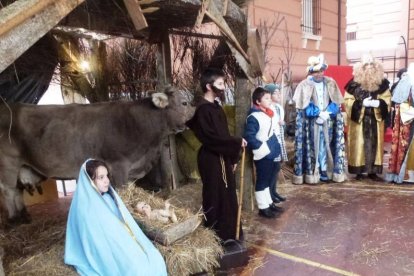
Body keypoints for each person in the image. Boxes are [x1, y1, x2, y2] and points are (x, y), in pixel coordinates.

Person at [64, 159, 167, 276]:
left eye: (107, 176)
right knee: (137, 270)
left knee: (155, 257)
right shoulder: (84, 209)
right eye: (101, 177)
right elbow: (95, 243)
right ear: (89, 181)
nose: (106, 181)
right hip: (107, 251)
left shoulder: (108, 198)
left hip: (123, 243)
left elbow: (122, 226)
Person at [186, 68, 247, 242]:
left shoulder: (216, 107)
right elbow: (212, 138)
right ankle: (217, 234)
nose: (223, 86)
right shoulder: (203, 110)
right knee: (215, 195)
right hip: (212, 159)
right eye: (220, 84)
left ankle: (229, 233)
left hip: (222, 156)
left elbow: (224, 136)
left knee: (227, 195)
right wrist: (236, 143)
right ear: (209, 86)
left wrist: (233, 157)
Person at [292, 54, 346, 184]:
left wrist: (327, 113)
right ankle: (313, 172)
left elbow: (337, 101)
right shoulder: (304, 85)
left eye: (321, 71)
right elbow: (302, 105)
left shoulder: (330, 83)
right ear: (311, 71)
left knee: (326, 145)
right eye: (316, 71)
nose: (319, 74)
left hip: (329, 121)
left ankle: (326, 170)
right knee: (313, 145)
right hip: (311, 122)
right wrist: (317, 113)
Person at [344, 54, 391, 181]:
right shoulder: (353, 84)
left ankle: (373, 171)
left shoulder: (382, 84)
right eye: (366, 65)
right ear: (361, 68)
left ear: (376, 68)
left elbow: (387, 99)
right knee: (359, 144)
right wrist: (361, 104)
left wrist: (378, 103)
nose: (369, 68)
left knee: (374, 144)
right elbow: (347, 101)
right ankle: (359, 170)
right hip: (359, 121)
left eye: (372, 65)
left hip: (375, 120)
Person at [244, 87, 284, 218]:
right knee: (262, 180)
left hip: (272, 150)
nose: (270, 100)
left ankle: (269, 203)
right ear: (257, 101)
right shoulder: (254, 117)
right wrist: (261, 148)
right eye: (266, 98)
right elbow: (249, 136)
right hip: (263, 153)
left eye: (269, 97)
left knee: (268, 180)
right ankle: (263, 207)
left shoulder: (269, 113)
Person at [387, 64, 414, 183]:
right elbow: (399, 104)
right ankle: (407, 175)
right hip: (409, 120)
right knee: (407, 145)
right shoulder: (406, 82)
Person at [264, 83, 288, 203]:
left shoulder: (278, 107)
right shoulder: (268, 108)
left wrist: (282, 124)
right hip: (272, 141)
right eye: (275, 93)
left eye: (279, 92)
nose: (278, 94)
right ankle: (269, 193)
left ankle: (273, 191)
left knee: (277, 167)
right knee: (271, 168)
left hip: (279, 139)